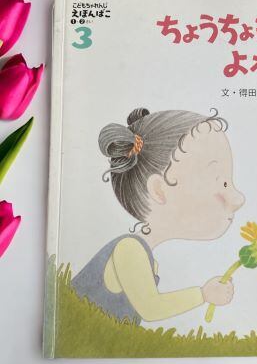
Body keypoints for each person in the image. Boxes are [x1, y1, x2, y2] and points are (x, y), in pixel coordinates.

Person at [72, 107, 245, 324]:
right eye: (221, 182)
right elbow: (151, 309)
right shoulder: (129, 249)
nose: (238, 199)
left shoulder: (141, 253)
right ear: (159, 190)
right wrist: (203, 294)